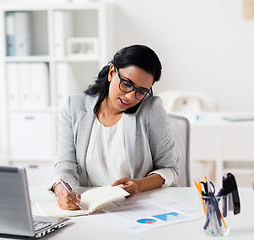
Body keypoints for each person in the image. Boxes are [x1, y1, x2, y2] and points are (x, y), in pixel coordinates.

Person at [51, 44, 179, 210]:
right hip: (88, 207)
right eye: (126, 84)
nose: (130, 96)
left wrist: (138, 185)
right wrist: (61, 189)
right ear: (112, 73)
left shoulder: (151, 109)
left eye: (141, 91)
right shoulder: (74, 107)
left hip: (138, 207)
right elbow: (65, 165)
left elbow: (169, 169)